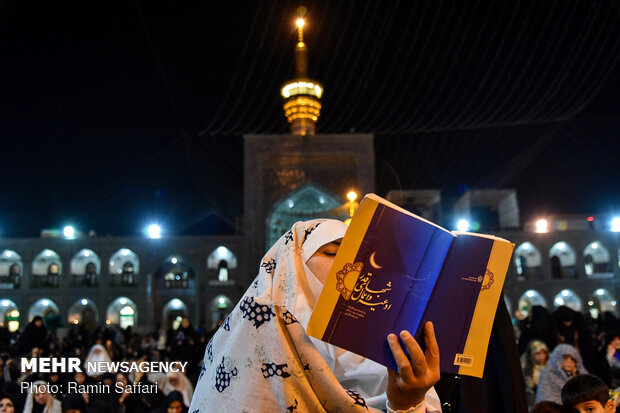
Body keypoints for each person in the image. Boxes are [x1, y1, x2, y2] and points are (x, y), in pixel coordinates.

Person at [189, 219, 441, 412]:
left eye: (356, 256)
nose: (348, 264)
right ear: (292, 265)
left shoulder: (386, 355)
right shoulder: (253, 341)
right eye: (331, 252)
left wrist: (407, 403)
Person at [522, 340, 550, 408]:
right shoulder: (526, 368)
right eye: (537, 354)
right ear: (531, 354)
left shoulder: (550, 364)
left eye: (544, 353)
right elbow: (531, 388)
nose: (542, 357)